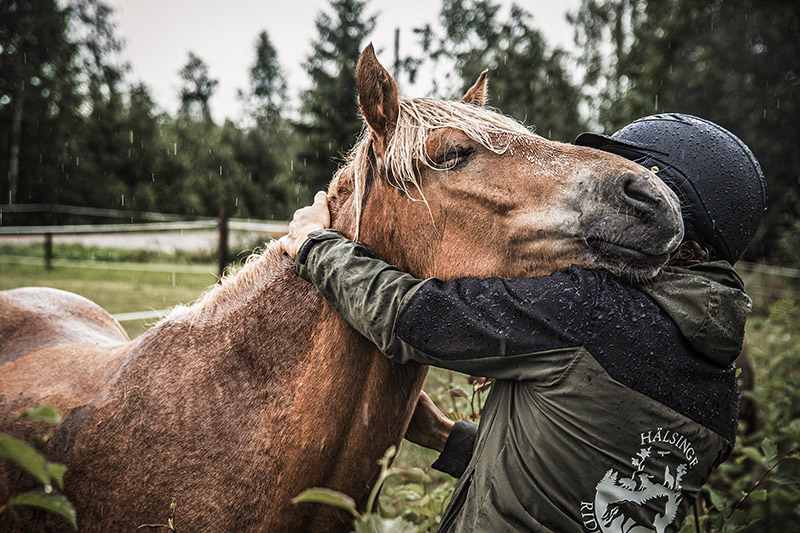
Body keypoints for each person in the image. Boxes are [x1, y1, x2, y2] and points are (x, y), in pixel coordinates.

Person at [279, 113, 767, 532]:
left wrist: (313, 244)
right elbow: (593, 493)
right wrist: (445, 438)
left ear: (656, 202)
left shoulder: (591, 310)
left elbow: (407, 315)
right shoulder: (722, 392)